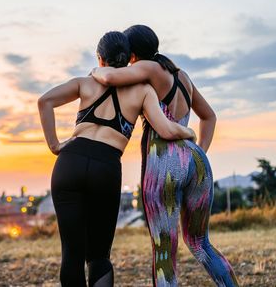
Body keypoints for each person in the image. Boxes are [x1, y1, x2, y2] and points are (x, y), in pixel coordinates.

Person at [38, 31, 195, 287]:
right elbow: (166, 129)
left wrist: (55, 145)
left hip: (70, 163)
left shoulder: (85, 82)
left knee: (72, 254)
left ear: (100, 58)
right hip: (106, 167)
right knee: (99, 256)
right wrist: (188, 132)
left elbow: (44, 101)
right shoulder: (143, 91)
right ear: (129, 58)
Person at [92, 25, 239, 287]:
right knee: (200, 242)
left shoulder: (148, 69)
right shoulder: (182, 75)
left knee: (164, 250)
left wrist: (97, 69)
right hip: (195, 161)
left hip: (163, 164)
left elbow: (109, 78)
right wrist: (197, 152)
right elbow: (210, 116)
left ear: (133, 54)